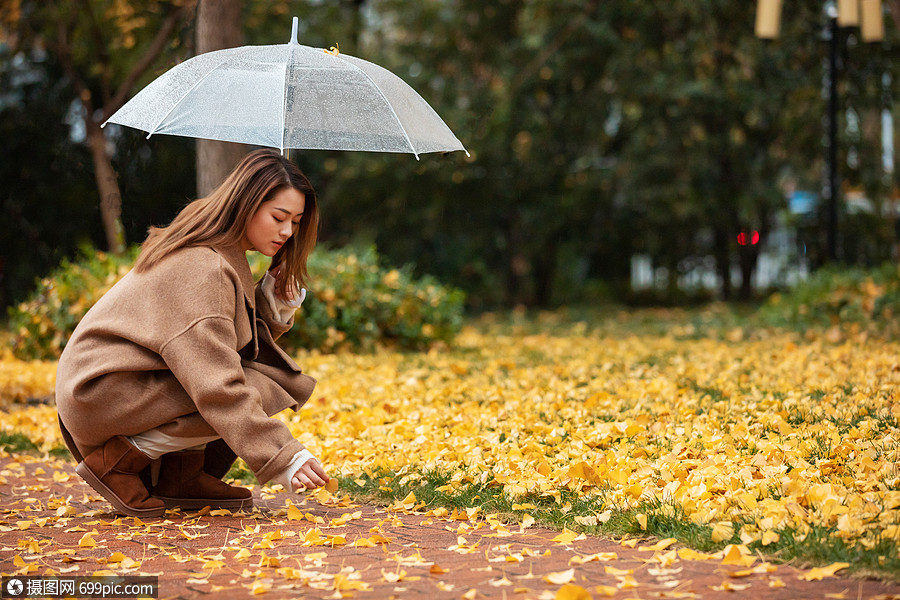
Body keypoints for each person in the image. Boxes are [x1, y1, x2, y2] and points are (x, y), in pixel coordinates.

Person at [55, 149, 330, 518]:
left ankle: (181, 477)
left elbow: (219, 343)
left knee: (245, 380)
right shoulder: (207, 267)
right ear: (246, 204)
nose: (286, 231)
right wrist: (282, 455)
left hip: (110, 387)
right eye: (278, 217)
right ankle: (114, 463)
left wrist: (273, 303)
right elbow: (216, 382)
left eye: (295, 222)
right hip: (101, 394)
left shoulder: (213, 250)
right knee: (254, 387)